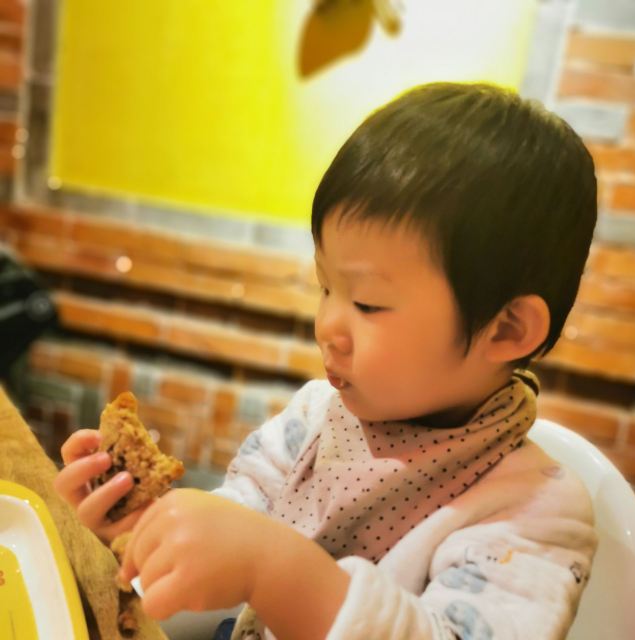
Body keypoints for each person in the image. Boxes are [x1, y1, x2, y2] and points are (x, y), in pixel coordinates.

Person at [54, 82, 598, 640]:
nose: (327, 327)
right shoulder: (314, 421)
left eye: (368, 303)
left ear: (507, 329)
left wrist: (273, 569)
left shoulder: (536, 514)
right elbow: (225, 546)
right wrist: (144, 528)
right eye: (325, 287)